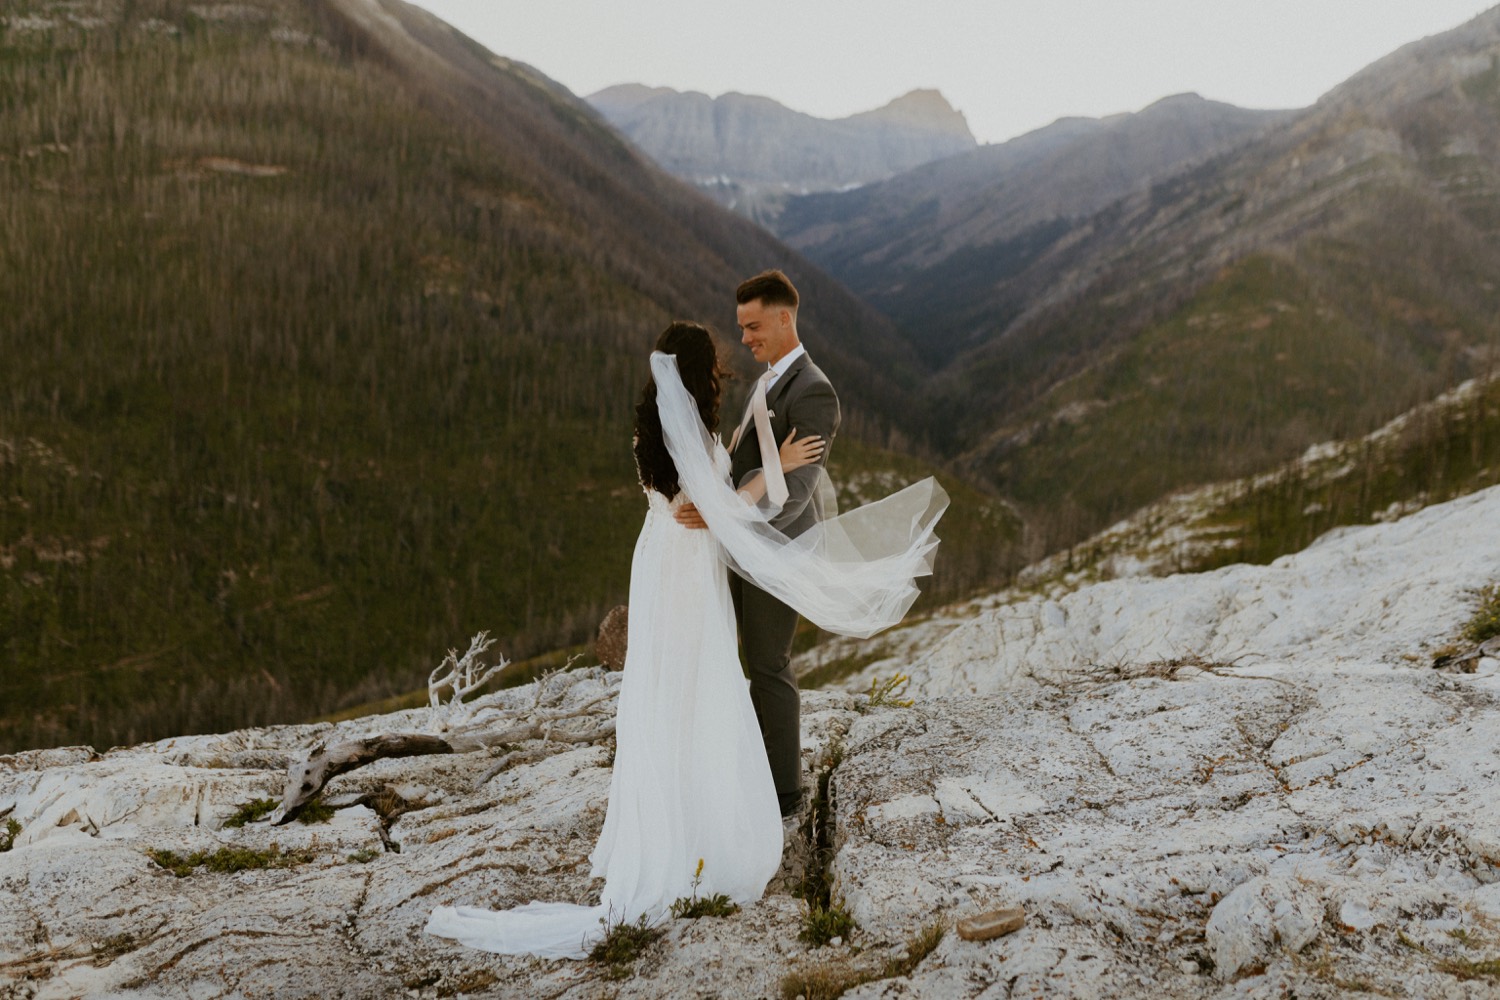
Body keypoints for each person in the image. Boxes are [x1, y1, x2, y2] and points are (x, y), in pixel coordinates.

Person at [426, 321, 945, 960]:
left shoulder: (651, 428)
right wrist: (775, 467)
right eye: (715, 367)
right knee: (701, 684)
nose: (724, 372)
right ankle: (702, 828)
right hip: (690, 568)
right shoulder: (692, 433)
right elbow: (719, 508)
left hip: (660, 561)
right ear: (701, 373)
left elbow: (686, 500)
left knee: (665, 686)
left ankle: (665, 814)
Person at [675, 270, 836, 818]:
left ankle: (786, 793)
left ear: (784, 317)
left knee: (770, 664)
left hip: (777, 549)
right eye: (741, 327)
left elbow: (795, 494)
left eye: (753, 325)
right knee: (748, 662)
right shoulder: (769, 380)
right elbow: (757, 463)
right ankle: (759, 772)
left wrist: (729, 517)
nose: (744, 338)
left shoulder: (813, 390)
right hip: (745, 545)